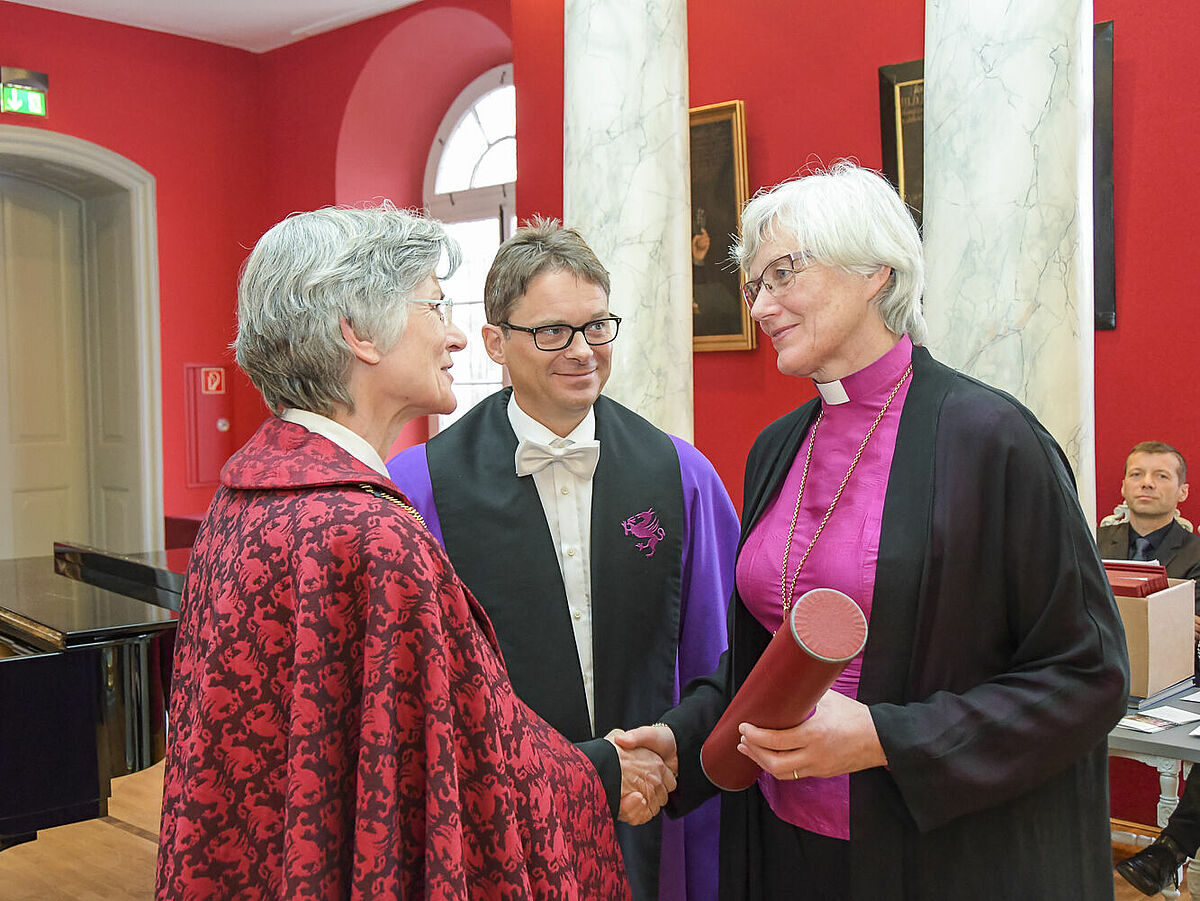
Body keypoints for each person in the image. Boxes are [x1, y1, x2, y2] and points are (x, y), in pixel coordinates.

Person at [616, 161, 1129, 900]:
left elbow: (1090, 673)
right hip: (783, 847)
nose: (760, 305)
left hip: (937, 854)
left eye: (783, 273)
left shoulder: (992, 439)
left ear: (875, 272)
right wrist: (682, 738)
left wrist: (886, 738)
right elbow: (767, 663)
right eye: (755, 284)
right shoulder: (777, 445)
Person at [155, 205, 631, 900]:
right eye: (435, 306)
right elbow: (463, 767)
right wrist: (605, 773)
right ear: (359, 334)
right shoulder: (372, 535)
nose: (457, 335)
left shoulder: (249, 492)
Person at [387, 219, 740, 900]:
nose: (582, 351)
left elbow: (720, 651)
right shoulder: (419, 488)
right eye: (553, 331)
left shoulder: (681, 476)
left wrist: (669, 748)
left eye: (597, 326)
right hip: (498, 825)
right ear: (495, 341)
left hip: (649, 813)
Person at [1105, 443, 1200, 895]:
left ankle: (1167, 853)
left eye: (1161, 476)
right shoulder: (1086, 542)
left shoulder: (1197, 552)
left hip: (1178, 682)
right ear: (1123, 486)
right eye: (1137, 474)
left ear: (1181, 491)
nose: (1147, 483)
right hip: (1097, 673)